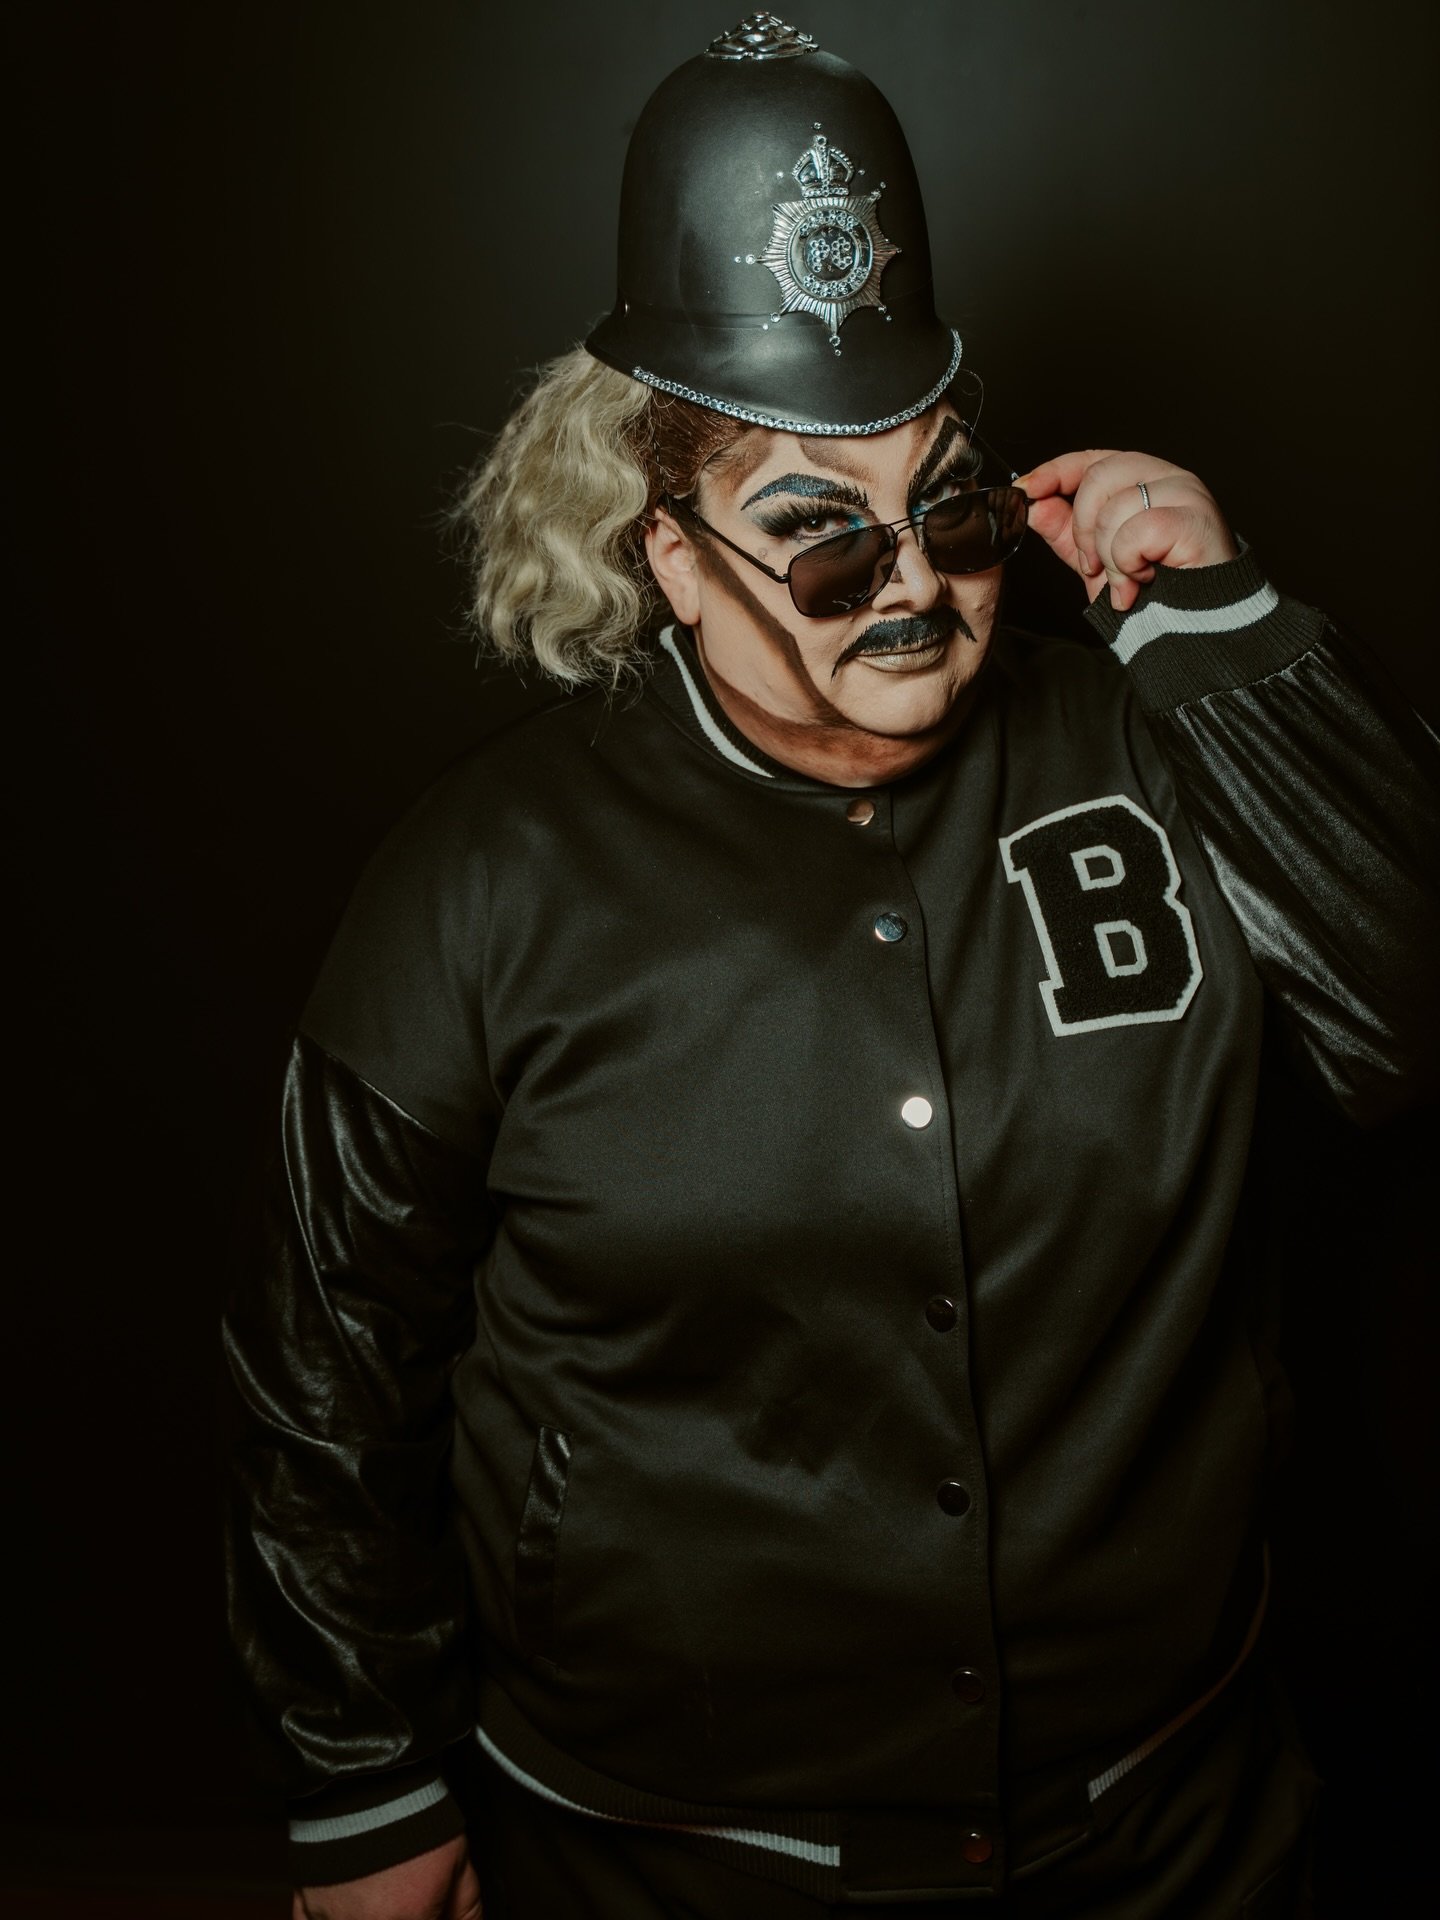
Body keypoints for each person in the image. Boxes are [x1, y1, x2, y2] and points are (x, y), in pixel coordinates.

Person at [222, 15, 1439, 1918]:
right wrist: (364, 1789)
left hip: (1169, 1835)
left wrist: (1230, 633)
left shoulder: (1157, 741)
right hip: (667, 1861)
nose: (915, 582)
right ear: (668, 557)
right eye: (817, 535)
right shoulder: (484, 880)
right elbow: (329, 1369)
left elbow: (1410, 1019)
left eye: (949, 506)